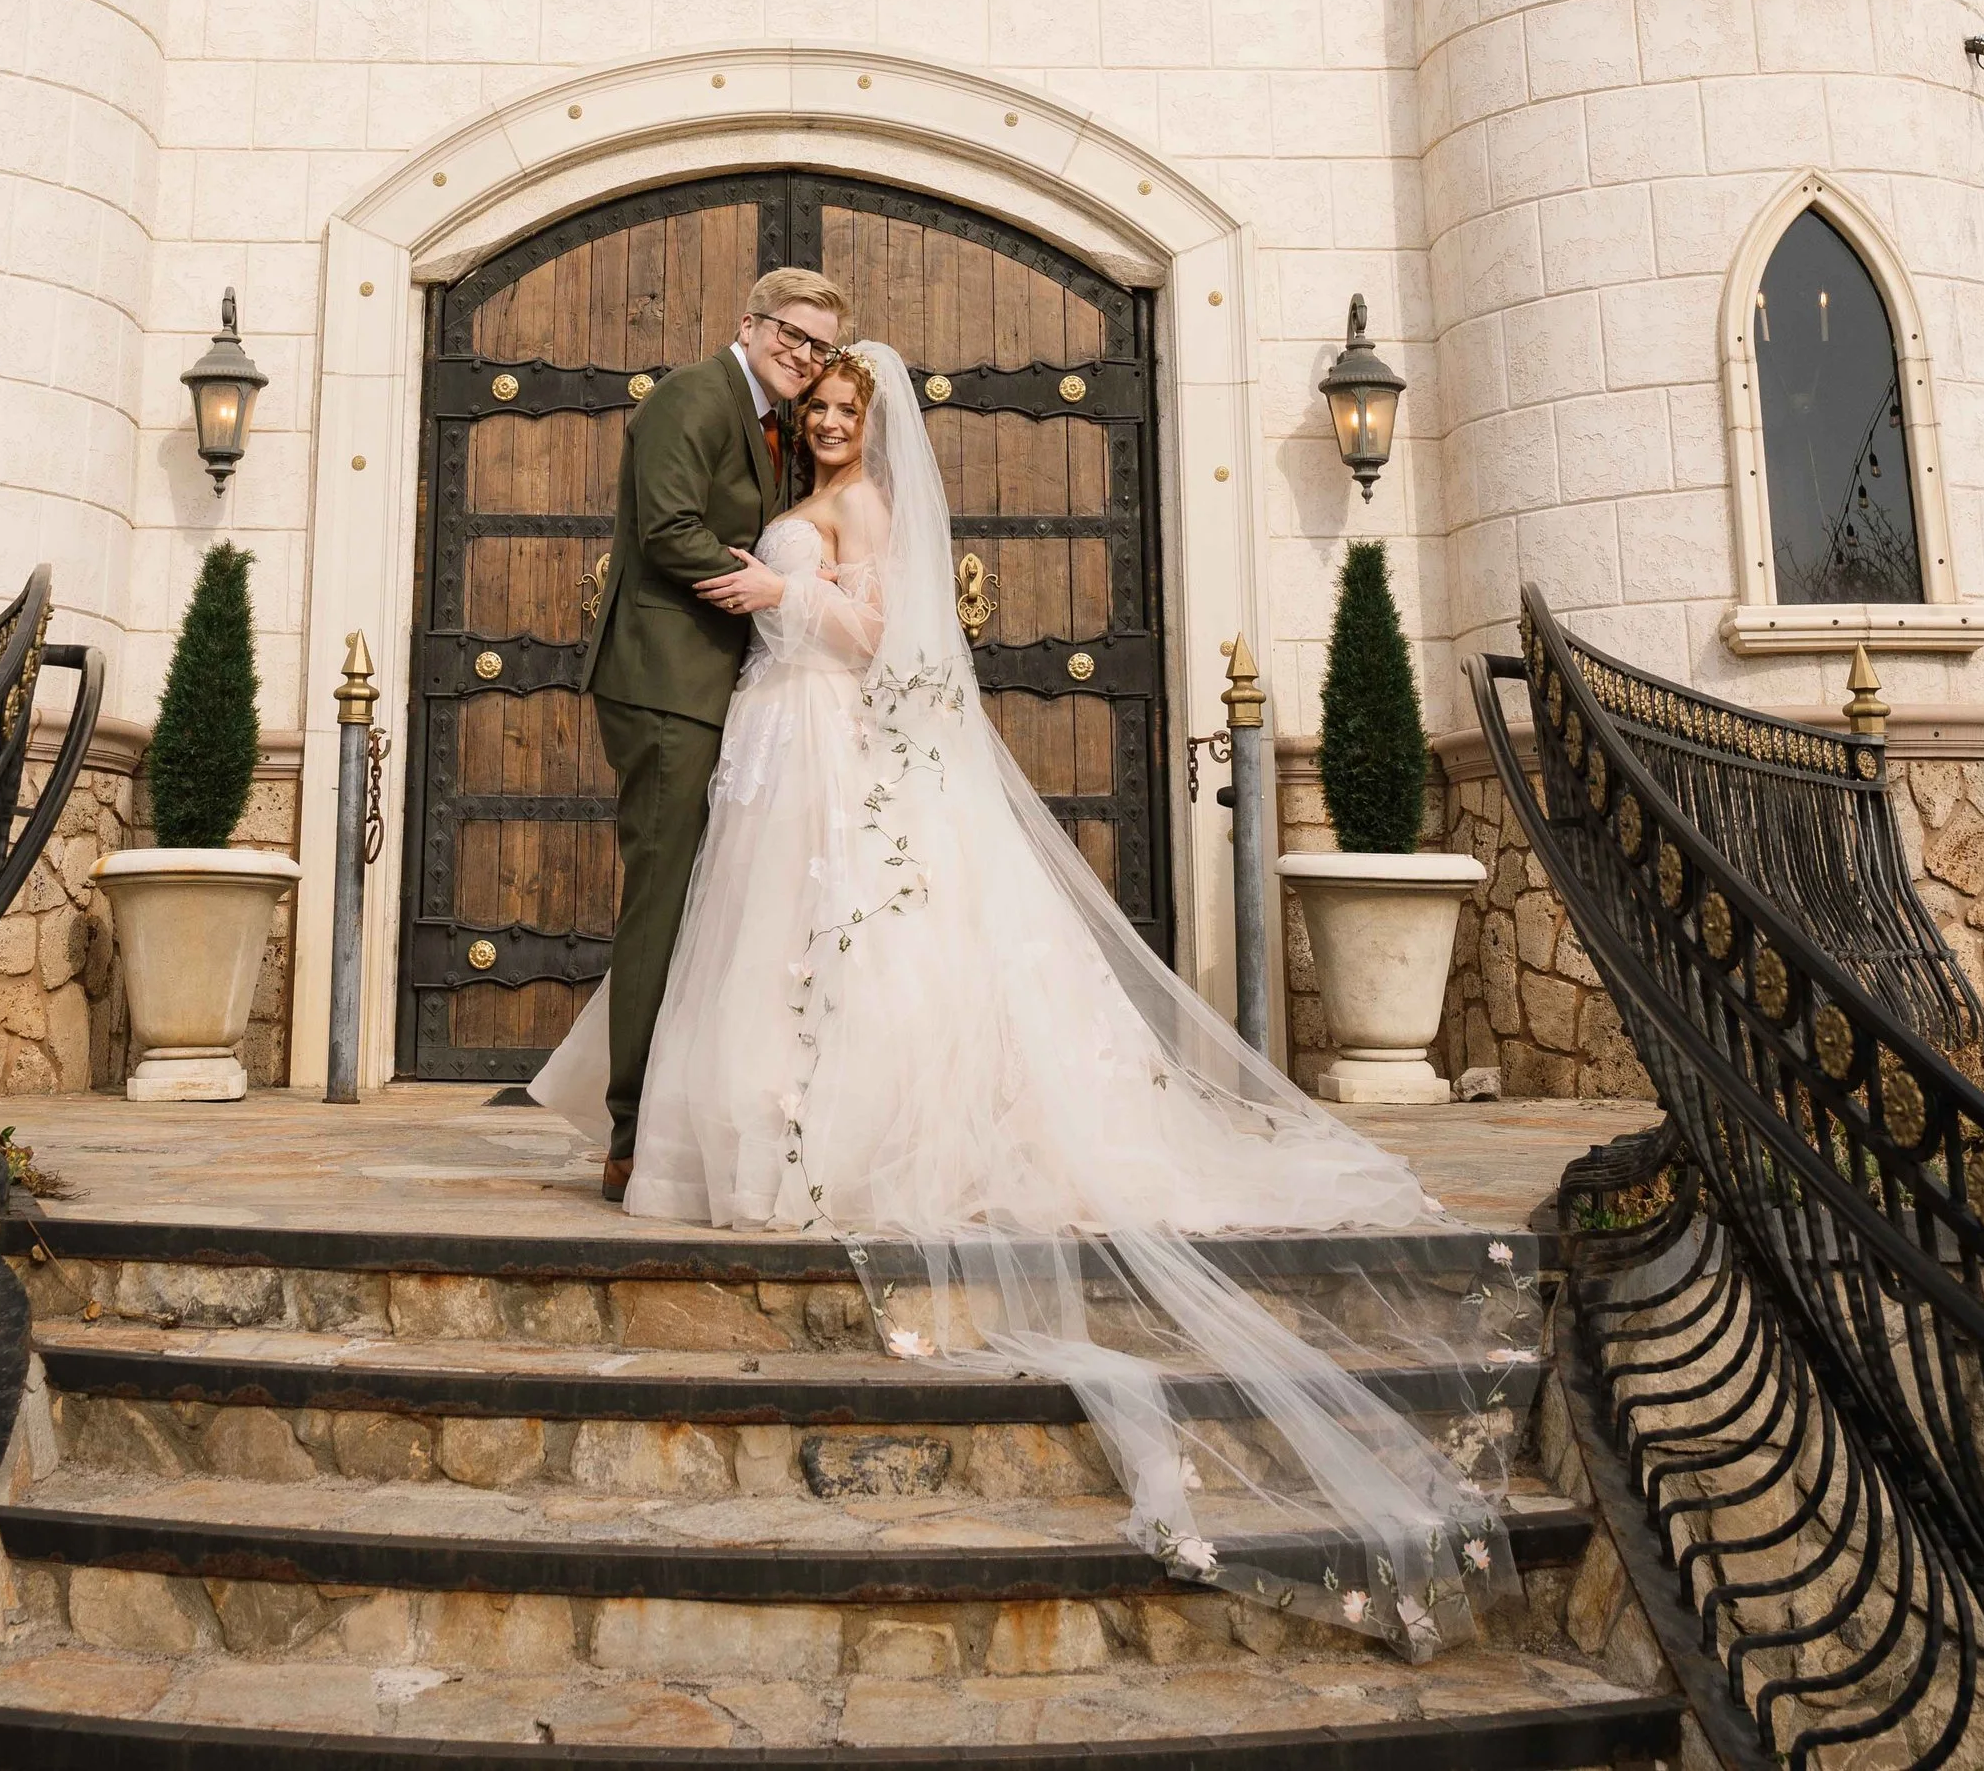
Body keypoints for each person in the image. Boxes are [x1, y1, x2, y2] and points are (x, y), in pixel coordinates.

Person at [537, 343, 1525, 1652]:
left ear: (874, 420)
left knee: (844, 940)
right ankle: (737, 1122)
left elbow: (882, 631)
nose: (830, 422)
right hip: (782, 733)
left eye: (847, 409)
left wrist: (788, 586)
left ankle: (820, 1132)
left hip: (824, 726)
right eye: (820, 406)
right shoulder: (790, 472)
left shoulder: (868, 505)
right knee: (770, 943)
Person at [573, 264, 848, 1204]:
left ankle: (684, 1115)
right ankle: (628, 1134)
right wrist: (762, 589)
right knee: (663, 897)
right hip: (665, 682)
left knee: (708, 899)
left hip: (728, 687)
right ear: (750, 321)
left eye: (818, 346)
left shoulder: (777, 428)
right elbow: (668, 528)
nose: (802, 356)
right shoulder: (692, 396)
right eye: (790, 334)